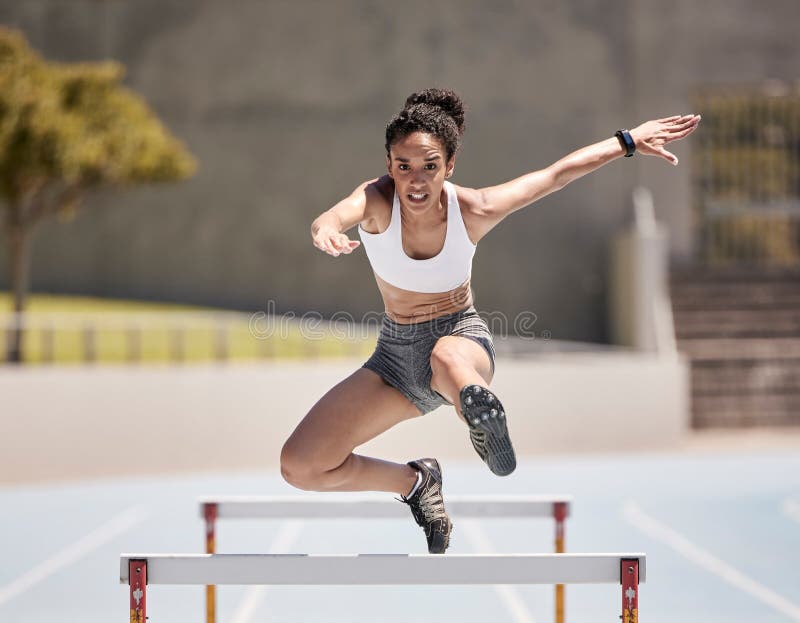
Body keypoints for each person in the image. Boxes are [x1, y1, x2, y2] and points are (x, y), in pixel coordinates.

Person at [280, 88, 700, 554]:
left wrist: (627, 140)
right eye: (403, 167)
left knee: (446, 358)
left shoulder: (474, 209)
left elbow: (554, 176)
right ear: (388, 163)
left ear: (451, 164)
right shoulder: (377, 201)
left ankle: (477, 409)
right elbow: (335, 215)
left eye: (430, 167)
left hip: (460, 338)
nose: (415, 182)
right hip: (394, 360)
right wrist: (325, 230)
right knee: (301, 465)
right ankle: (416, 482)